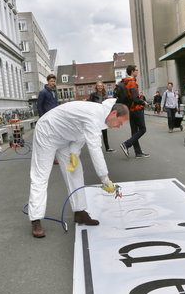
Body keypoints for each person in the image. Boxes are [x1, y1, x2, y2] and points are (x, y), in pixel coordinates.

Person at [28, 99, 129, 238]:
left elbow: (82, 135)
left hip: (65, 138)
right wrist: (104, 178)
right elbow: (95, 148)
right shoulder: (94, 115)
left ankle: (79, 212)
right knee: (40, 176)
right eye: (120, 123)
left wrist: (74, 153)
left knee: (75, 172)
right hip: (47, 132)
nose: (119, 127)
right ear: (114, 113)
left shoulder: (103, 120)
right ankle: (36, 219)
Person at [120, 65, 150, 158]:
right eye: (136, 70)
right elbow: (135, 98)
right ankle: (126, 144)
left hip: (130, 109)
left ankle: (138, 152)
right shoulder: (132, 82)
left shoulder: (126, 82)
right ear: (132, 72)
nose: (137, 71)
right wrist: (143, 102)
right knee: (143, 129)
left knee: (134, 131)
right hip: (136, 109)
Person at [88, 81, 115, 153]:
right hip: (96, 116)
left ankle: (107, 148)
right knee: (96, 133)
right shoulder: (92, 95)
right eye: (98, 86)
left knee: (104, 132)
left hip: (103, 116)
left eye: (101, 86)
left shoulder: (104, 95)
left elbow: (107, 106)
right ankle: (96, 149)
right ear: (96, 87)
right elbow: (89, 104)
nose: (100, 87)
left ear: (103, 87)